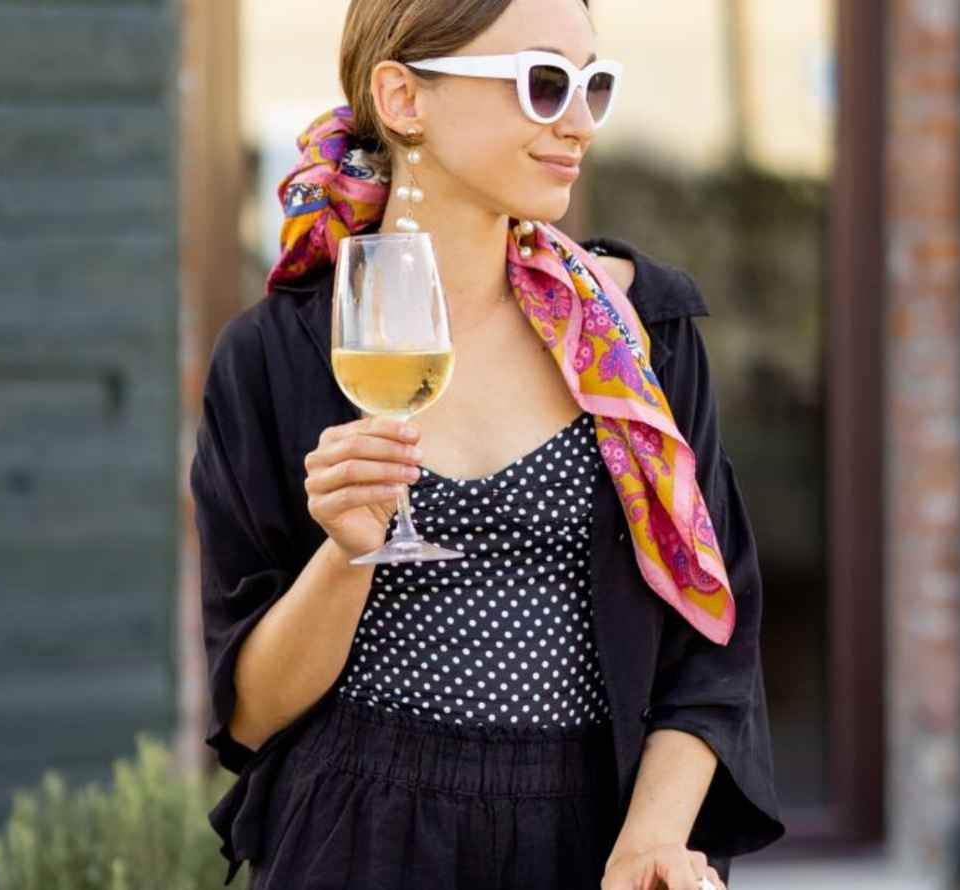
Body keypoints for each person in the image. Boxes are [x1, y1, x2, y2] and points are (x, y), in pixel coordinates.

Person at [189, 0, 787, 887]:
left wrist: (654, 837)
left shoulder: (636, 335)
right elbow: (248, 715)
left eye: (595, 85)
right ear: (402, 97)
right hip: (359, 834)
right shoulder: (274, 356)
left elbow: (715, 639)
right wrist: (346, 556)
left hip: (595, 833)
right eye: (543, 84)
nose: (578, 122)